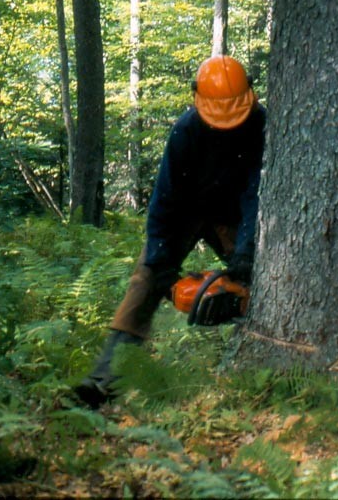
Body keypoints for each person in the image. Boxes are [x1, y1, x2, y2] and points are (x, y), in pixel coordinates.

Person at [74, 55, 265, 408]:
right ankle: (103, 380)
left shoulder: (261, 125)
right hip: (188, 213)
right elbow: (165, 200)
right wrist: (161, 263)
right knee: (144, 280)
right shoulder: (186, 131)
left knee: (263, 280)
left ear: (250, 93)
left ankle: (258, 372)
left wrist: (246, 251)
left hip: (234, 216)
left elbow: (257, 192)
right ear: (197, 99)